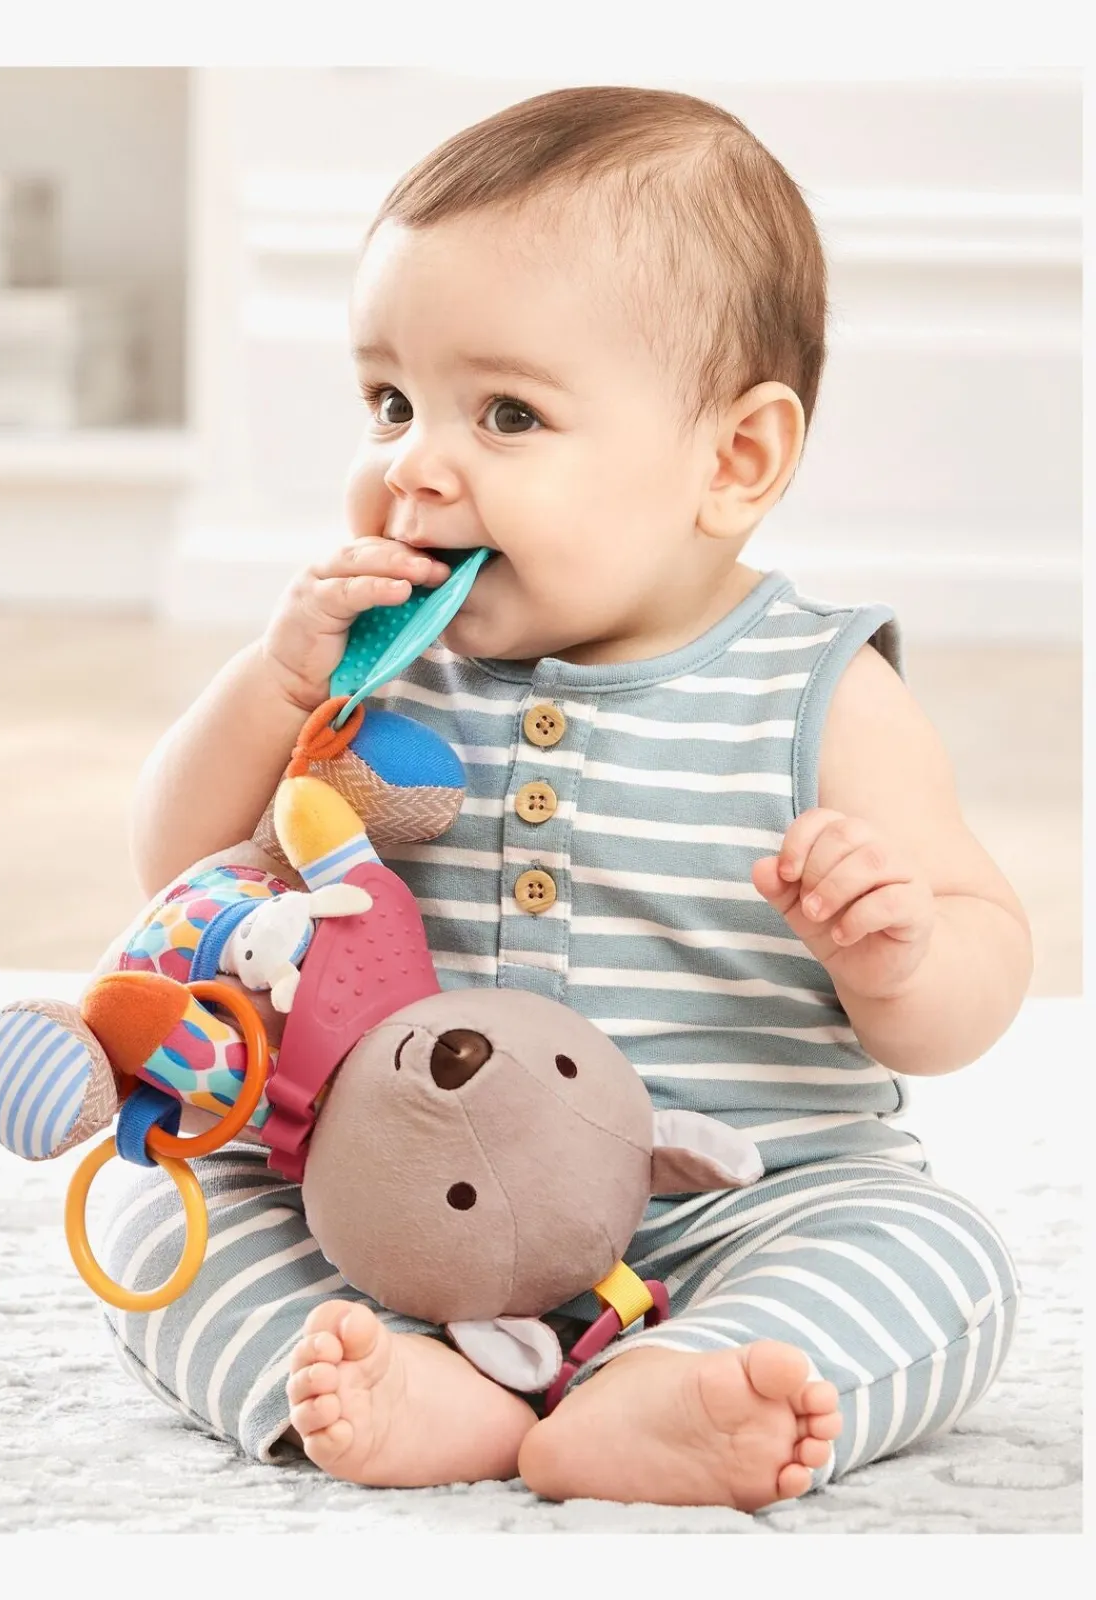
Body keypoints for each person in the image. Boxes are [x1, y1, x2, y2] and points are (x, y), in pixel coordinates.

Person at [105, 86, 1029, 1510]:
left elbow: (977, 970)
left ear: (733, 461)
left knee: (934, 1258)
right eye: (391, 402)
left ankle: (671, 1387)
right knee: (166, 1219)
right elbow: (178, 869)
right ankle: (418, 1384)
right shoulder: (372, 682)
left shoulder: (818, 693)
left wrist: (897, 953)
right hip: (393, 1213)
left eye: (507, 414)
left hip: (730, 1206)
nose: (413, 464)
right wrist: (270, 686)